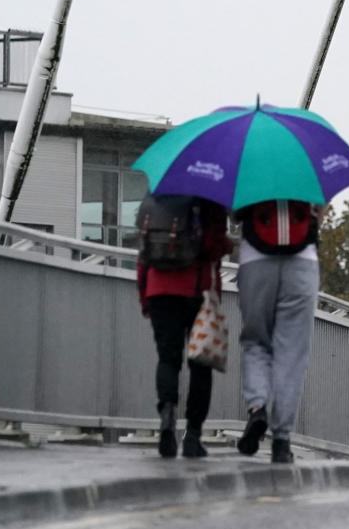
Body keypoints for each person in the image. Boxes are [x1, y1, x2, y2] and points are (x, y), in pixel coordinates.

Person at [136, 194, 232, 459]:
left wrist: (145, 296)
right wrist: (226, 244)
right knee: (201, 365)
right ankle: (192, 435)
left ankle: (167, 414)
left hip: (158, 290)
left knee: (168, 359)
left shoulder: (157, 198)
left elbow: (143, 253)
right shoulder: (210, 200)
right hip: (197, 292)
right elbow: (212, 247)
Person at [234, 199, 321, 463]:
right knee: (291, 354)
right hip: (302, 261)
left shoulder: (244, 162)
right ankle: (281, 440)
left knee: (256, 341)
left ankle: (257, 407)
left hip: (254, 260)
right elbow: (320, 209)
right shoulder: (305, 162)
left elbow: (235, 211)